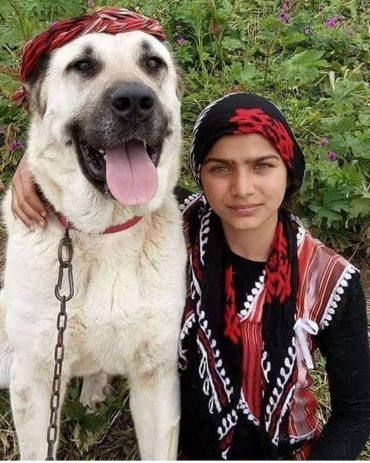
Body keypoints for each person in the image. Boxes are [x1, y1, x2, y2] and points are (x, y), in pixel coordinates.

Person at [10, 93, 370, 460]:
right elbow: (99, 177)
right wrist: (29, 165)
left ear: (288, 168)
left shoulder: (329, 282)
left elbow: (355, 415)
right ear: (199, 173)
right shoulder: (173, 229)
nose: (243, 188)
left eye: (262, 166)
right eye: (221, 168)